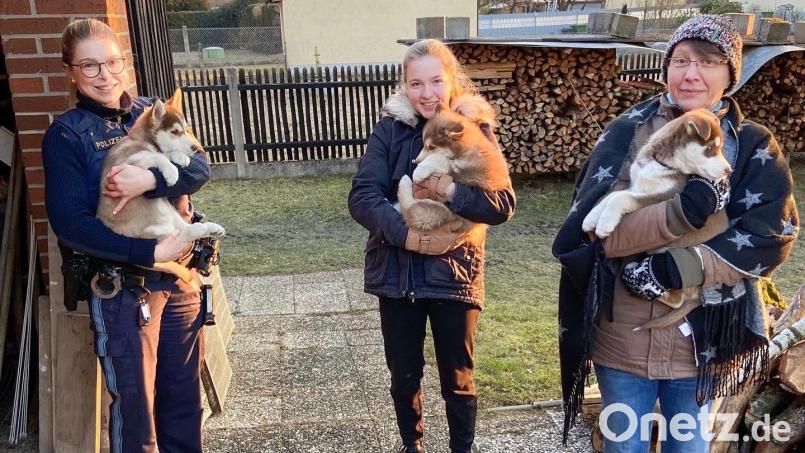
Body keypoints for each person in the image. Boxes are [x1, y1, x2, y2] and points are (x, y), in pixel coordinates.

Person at [553, 15, 798, 452]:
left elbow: (769, 236)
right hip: (623, 336)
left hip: (705, 341)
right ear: (666, 68)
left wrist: (679, 266)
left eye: (708, 62)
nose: (691, 74)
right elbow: (590, 233)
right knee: (623, 446)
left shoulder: (753, 146)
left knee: (688, 446)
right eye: (681, 60)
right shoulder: (628, 131)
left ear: (730, 74)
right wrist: (679, 213)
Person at [42, 19, 211, 452]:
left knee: (184, 406)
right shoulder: (67, 135)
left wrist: (148, 182)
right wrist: (150, 251)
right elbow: (71, 225)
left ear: (125, 62)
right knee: (137, 418)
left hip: (181, 282)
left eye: (112, 62)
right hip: (126, 293)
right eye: (90, 66)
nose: (105, 75)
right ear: (70, 71)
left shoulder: (150, 111)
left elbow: (198, 167)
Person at [348, 39, 516, 453]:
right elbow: (363, 196)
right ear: (404, 86)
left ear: (451, 80)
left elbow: (501, 204)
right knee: (404, 377)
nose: (427, 93)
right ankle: (413, 446)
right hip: (396, 275)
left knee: (457, 380)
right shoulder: (390, 130)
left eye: (436, 81)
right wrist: (407, 235)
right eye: (416, 83)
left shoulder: (471, 129)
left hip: (454, 274)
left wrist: (449, 189)